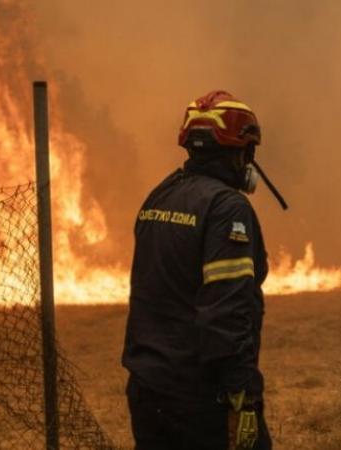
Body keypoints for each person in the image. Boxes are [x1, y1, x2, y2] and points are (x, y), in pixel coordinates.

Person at [122, 90, 273, 450]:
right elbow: (227, 310)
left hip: (147, 388)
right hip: (200, 396)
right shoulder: (227, 208)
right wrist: (242, 394)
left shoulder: (160, 196)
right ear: (243, 151)